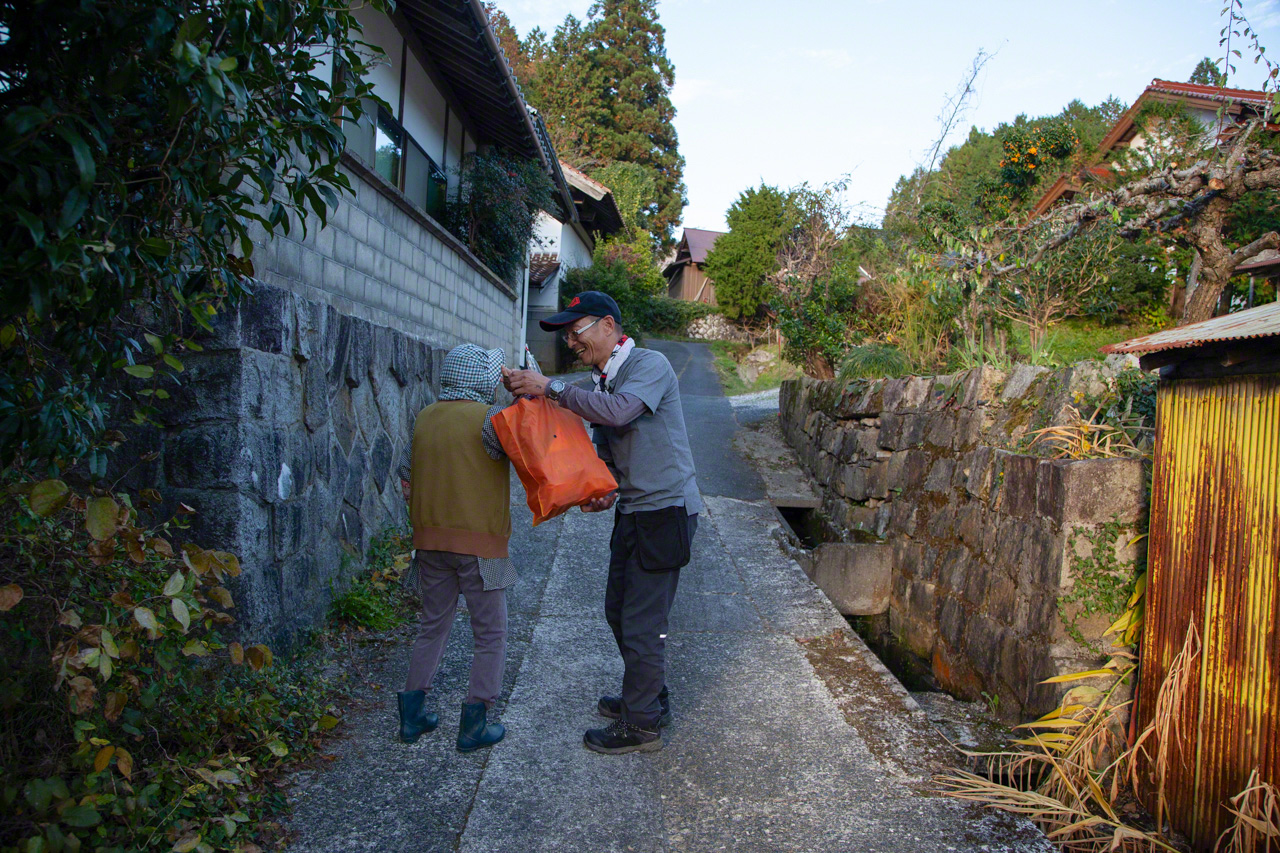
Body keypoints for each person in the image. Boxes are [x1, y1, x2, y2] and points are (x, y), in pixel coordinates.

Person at [504, 291, 700, 755]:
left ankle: (642, 725)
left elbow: (621, 412)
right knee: (619, 611)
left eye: (577, 331)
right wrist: (602, 491)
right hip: (635, 510)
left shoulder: (648, 365)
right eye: (568, 335)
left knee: (642, 622)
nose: (572, 342)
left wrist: (551, 388)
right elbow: (609, 450)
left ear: (608, 326)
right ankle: (648, 696)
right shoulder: (603, 381)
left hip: (665, 511)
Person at [396, 344, 514, 752]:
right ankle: (475, 724)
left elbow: (406, 475)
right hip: (484, 546)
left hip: (430, 543)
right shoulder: (491, 418)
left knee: (433, 625)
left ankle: (412, 717)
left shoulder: (425, 417)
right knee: (491, 633)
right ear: (482, 380)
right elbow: (527, 455)